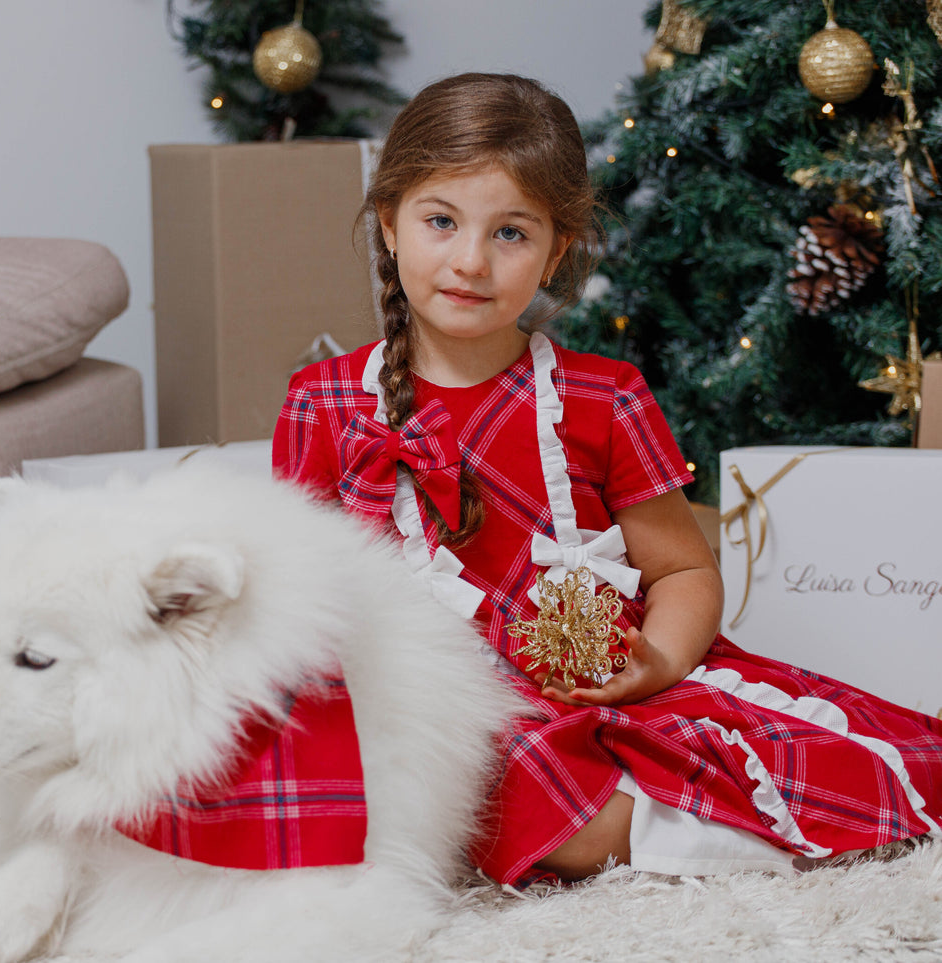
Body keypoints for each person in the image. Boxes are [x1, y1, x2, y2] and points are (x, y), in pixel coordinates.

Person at [273, 72, 942, 886]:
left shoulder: (603, 397)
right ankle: (665, 826)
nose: (470, 261)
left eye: (510, 233)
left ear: (557, 250)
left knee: (828, 756)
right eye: (440, 221)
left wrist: (654, 660)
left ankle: (731, 821)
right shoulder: (322, 402)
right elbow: (293, 598)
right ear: (388, 221)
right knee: (506, 785)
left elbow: (683, 569)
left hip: (605, 684)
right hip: (434, 707)